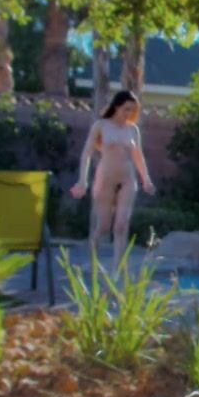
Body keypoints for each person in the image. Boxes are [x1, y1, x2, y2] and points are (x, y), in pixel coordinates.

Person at [70, 90, 155, 272]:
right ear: (116, 106)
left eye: (132, 110)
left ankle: (117, 270)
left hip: (127, 179)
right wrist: (82, 181)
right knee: (104, 226)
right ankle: (93, 258)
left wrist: (146, 179)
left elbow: (138, 157)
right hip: (105, 178)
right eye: (126, 109)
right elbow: (86, 153)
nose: (129, 114)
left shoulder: (132, 129)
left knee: (121, 225)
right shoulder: (101, 126)